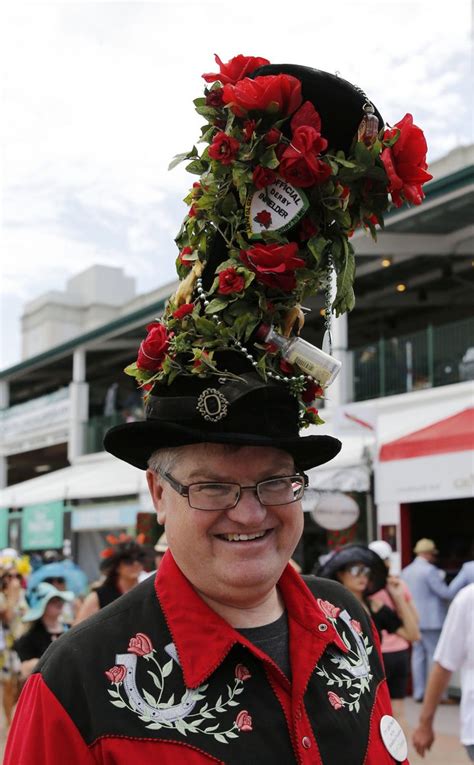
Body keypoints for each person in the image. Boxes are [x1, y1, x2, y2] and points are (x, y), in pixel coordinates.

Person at [5, 53, 431, 764]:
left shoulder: (350, 623)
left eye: (273, 479)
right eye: (211, 484)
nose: (251, 510)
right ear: (157, 493)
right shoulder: (76, 683)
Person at [412, 583, 474, 761]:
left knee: (419, 656)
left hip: (427, 621)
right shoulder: (468, 599)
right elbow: (444, 664)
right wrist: (425, 723)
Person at [317, 544, 419, 644]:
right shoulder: (330, 608)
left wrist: (398, 597)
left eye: (366, 571)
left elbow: (412, 635)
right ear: (340, 574)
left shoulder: (375, 606)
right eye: (355, 570)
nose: (362, 575)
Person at [368, 540, 419, 722]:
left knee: (377, 712)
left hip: (376, 654)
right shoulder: (399, 585)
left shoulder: (366, 589)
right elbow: (416, 619)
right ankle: (402, 750)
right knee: (398, 713)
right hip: (400, 653)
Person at [401, 538, 451, 702]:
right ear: (429, 554)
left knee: (418, 655)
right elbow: (444, 593)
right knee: (434, 656)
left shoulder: (406, 571)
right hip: (432, 619)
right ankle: (436, 695)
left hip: (414, 619)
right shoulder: (430, 571)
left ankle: (419, 692)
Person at [74, 534, 147, 624]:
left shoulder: (147, 593)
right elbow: (77, 631)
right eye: (128, 560)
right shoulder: (98, 597)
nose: (136, 563)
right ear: (117, 567)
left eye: (140, 558)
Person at [14, 582, 74, 680]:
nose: (59, 602)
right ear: (42, 606)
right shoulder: (29, 637)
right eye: (52, 600)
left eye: (59, 599)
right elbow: (24, 671)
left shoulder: (70, 629)